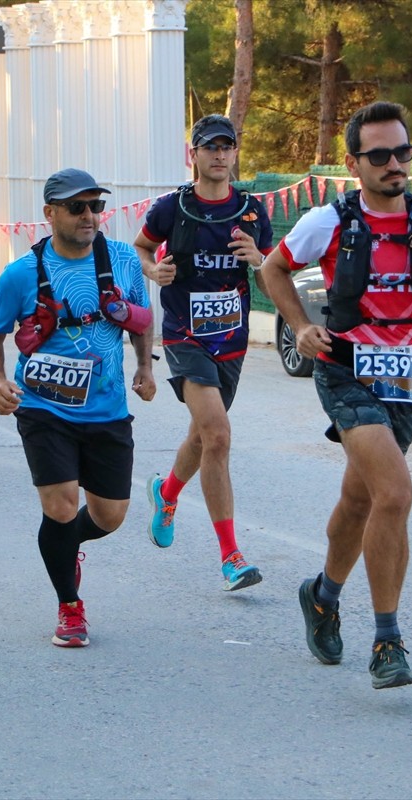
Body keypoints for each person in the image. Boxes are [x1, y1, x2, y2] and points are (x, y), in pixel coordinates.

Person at [260, 101, 412, 689]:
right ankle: (388, 640)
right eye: (379, 155)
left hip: (411, 376)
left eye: (402, 153)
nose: (394, 164)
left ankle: (322, 596)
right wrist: (301, 325)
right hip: (347, 370)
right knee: (395, 492)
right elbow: (272, 270)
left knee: (362, 500)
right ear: (355, 163)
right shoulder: (328, 220)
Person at [0, 168, 156, 648]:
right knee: (59, 506)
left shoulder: (121, 260)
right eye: (77, 207)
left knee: (110, 515)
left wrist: (145, 368)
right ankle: (70, 605)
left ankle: (66, 547)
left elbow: (141, 318)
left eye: (96, 206)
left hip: (107, 411)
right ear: (50, 213)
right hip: (43, 409)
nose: (89, 215)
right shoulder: (21, 273)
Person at [133, 114, 273, 592]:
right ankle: (231, 556)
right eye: (209, 146)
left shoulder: (253, 211)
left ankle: (166, 493)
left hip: (230, 341)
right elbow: (140, 250)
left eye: (226, 146)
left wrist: (259, 260)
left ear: (235, 153)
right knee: (218, 436)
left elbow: (272, 268)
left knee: (201, 435)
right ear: (192, 154)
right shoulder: (172, 208)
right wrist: (154, 272)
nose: (218, 154)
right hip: (184, 336)